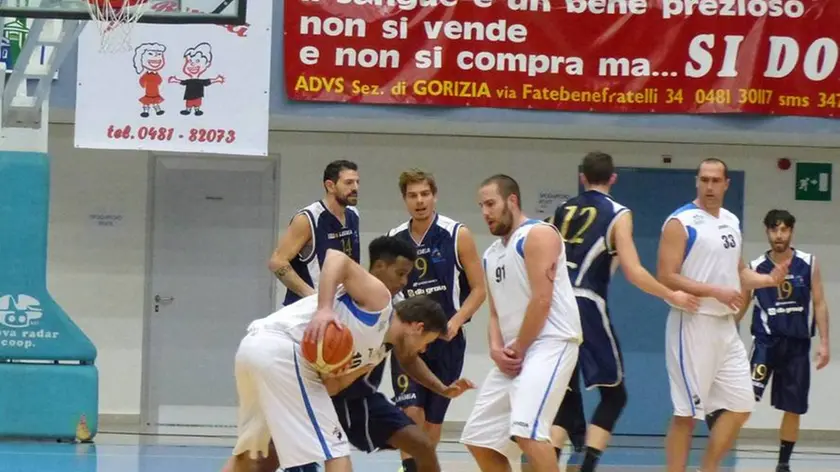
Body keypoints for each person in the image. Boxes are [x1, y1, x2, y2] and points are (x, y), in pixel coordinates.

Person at [225, 239, 450, 472]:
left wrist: (331, 374)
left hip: (252, 350)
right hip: (282, 348)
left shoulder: (376, 353)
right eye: (427, 343)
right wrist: (324, 309)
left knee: (253, 451)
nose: (423, 350)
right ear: (418, 328)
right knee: (335, 450)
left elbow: (331, 388)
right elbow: (336, 256)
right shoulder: (380, 302)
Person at [548, 152, 699, 472]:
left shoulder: (560, 212)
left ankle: (544, 464)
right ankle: (587, 466)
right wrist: (670, 293)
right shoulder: (618, 213)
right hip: (586, 303)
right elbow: (634, 271)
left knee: (563, 400)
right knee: (615, 397)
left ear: (582, 177)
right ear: (613, 178)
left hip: (552, 305)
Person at [656, 158, 788, 472]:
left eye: (716, 180)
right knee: (686, 414)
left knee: (742, 405)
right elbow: (666, 275)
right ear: (697, 182)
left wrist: (770, 279)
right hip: (692, 324)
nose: (710, 186)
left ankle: (709, 467)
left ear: (726, 183)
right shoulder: (680, 222)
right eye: (704, 180)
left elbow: (740, 271)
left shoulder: (730, 220)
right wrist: (714, 291)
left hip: (724, 328)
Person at [461, 174, 582, 472]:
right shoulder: (491, 254)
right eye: (481, 206)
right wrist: (495, 349)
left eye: (491, 203)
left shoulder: (539, 234)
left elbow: (542, 300)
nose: (485, 212)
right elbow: (494, 313)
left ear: (512, 201)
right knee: (479, 438)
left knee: (528, 430)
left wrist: (518, 349)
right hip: (515, 352)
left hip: (550, 342)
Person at [386, 169, 487, 472]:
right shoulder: (394, 240)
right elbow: (386, 290)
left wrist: (455, 322)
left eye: (425, 194)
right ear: (405, 200)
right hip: (408, 341)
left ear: (435, 196)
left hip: (447, 343)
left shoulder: (457, 234)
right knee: (410, 411)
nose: (420, 201)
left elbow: (480, 290)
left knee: (431, 423)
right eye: (413, 195)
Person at [736, 209, 830, 472]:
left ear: (791, 232)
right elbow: (742, 306)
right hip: (767, 343)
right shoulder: (756, 268)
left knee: (793, 407)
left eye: (784, 229)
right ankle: (717, 452)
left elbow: (820, 303)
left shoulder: (808, 263)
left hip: (798, 345)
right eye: (774, 229)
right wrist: (722, 330)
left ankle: (783, 464)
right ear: (767, 232)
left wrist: (824, 343)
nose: (779, 235)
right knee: (743, 400)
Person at [269, 160, 361, 306]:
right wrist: (312, 296)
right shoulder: (308, 219)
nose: (355, 187)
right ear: (330, 186)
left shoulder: (353, 214)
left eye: (357, 182)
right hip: (307, 308)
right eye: (349, 183)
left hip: (340, 305)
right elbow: (277, 262)